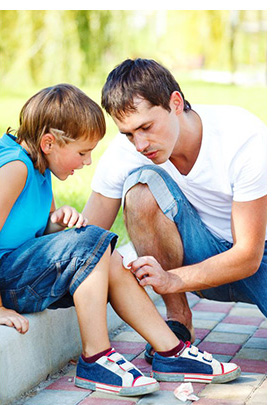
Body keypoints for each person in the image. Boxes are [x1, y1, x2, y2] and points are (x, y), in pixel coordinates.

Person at [0, 84, 241, 398]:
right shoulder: (16, 166)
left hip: (19, 271)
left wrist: (56, 223)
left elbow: (35, 238)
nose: (86, 162)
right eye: (82, 152)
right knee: (93, 243)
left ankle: (171, 353)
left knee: (106, 253)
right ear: (49, 142)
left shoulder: (40, 164)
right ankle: (96, 357)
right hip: (8, 280)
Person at [83, 58, 267, 363]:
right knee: (140, 189)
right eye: (128, 133)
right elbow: (86, 237)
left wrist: (173, 279)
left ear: (176, 102)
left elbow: (248, 255)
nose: (140, 144)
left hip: (260, 257)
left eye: (146, 127)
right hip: (198, 252)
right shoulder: (127, 152)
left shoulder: (242, 137)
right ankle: (178, 321)